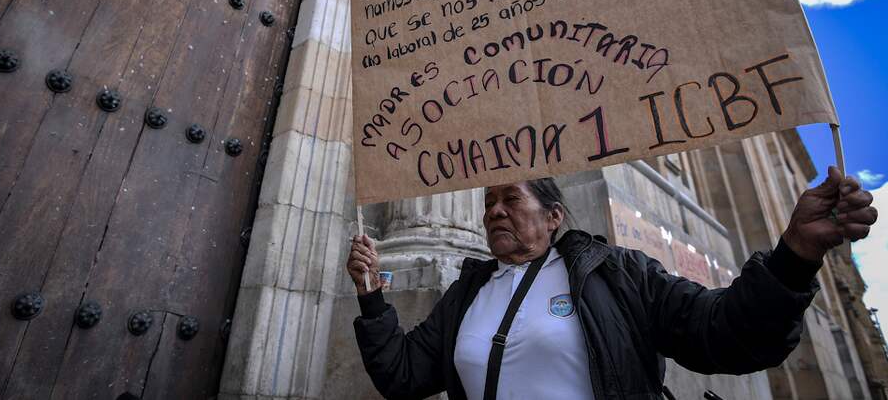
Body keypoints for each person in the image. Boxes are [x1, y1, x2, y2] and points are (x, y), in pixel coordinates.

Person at [346, 167, 878, 399]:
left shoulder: (615, 274)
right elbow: (403, 376)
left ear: (554, 216)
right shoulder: (468, 294)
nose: (494, 212)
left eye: (510, 199)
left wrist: (794, 256)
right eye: (488, 203)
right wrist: (372, 298)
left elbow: (727, 333)